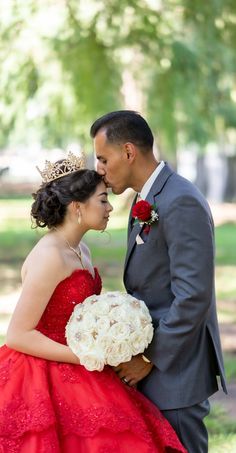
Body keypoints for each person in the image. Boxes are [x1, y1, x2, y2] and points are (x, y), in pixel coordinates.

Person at [0, 152, 187, 453]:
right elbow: (19, 335)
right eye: (102, 199)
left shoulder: (79, 249)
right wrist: (88, 356)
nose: (110, 206)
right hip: (45, 368)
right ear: (77, 207)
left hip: (82, 360)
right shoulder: (50, 256)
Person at [90, 110, 227, 453]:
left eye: (103, 158)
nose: (100, 170)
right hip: (158, 370)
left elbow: (193, 295)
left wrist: (148, 358)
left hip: (175, 371)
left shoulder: (179, 200)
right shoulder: (147, 198)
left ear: (129, 152)